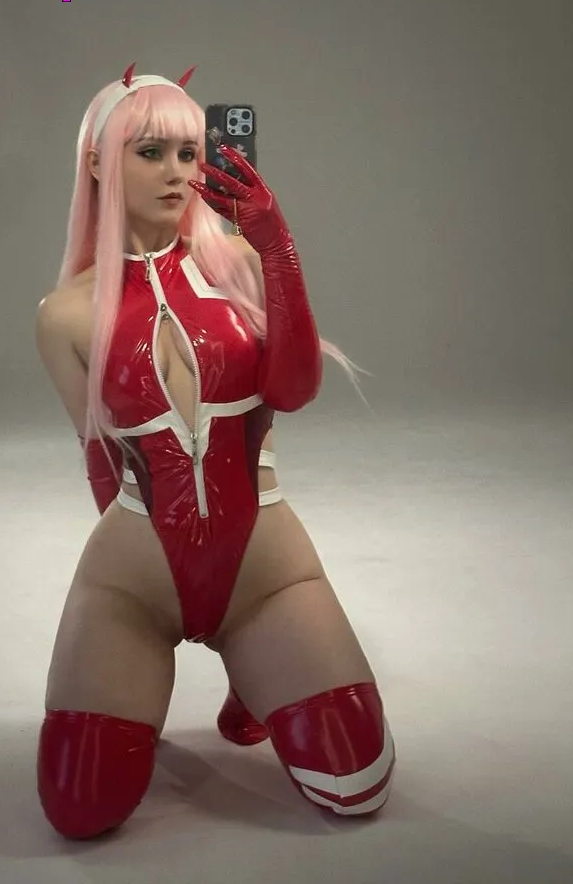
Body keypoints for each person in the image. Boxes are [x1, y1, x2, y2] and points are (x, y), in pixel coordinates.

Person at [34, 63, 396, 840]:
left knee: (356, 785)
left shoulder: (241, 266)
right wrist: (154, 581)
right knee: (79, 808)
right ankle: (169, 663)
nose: (176, 172)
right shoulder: (63, 315)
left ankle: (252, 665)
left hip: (265, 573)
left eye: (189, 153)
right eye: (150, 152)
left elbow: (293, 389)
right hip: (133, 582)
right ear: (96, 161)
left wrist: (276, 243)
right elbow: (101, 459)